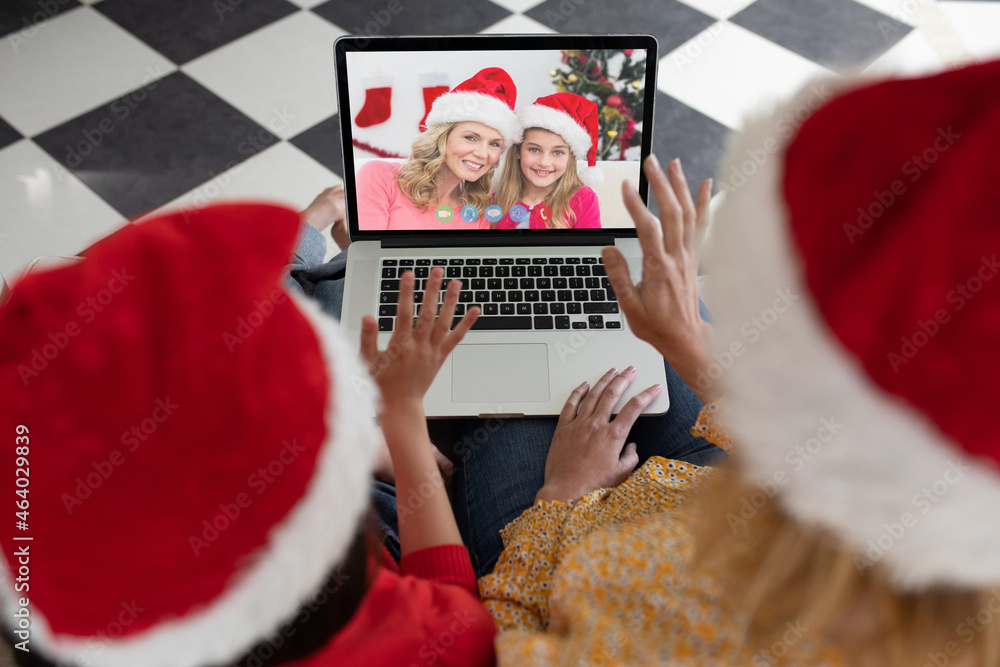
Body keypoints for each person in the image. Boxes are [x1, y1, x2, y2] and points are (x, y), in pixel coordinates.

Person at [476, 59, 1000, 666]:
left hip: (573, 535)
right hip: (711, 482)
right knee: (648, 317)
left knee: (511, 396)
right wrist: (691, 344)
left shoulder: (634, 587)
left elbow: (501, 645)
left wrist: (560, 498)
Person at [0, 203, 496, 666]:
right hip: (380, 514)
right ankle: (327, 240)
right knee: (331, 293)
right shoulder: (402, 637)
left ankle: (324, 235)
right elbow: (457, 608)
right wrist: (401, 420)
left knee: (307, 292)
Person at [356, 67, 522, 231]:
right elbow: (369, 252)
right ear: (442, 137)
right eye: (470, 138)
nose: (482, 153)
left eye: (494, 144)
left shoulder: (480, 212)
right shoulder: (380, 176)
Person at [493, 93, 602, 229]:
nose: (544, 162)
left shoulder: (582, 199)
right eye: (534, 150)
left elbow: (589, 249)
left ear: (570, 158)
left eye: (557, 152)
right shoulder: (497, 201)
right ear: (517, 151)